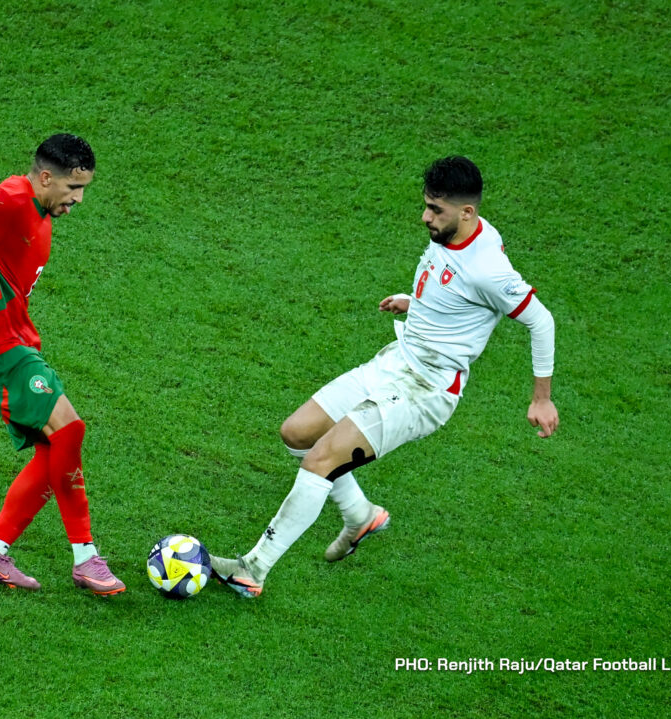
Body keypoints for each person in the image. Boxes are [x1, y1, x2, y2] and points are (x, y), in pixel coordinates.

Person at [211, 156, 559, 598]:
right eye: (427, 205)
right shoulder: (457, 234)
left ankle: (253, 569)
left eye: (435, 210)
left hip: (425, 389)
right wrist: (415, 303)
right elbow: (456, 294)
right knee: (297, 433)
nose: (425, 217)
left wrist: (541, 398)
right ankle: (360, 515)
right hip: (395, 361)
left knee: (321, 460)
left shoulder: (489, 268)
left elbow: (541, 321)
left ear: (467, 212)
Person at [0, 133, 125, 595]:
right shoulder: (7, 201)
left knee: (55, 448)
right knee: (69, 429)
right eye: (73, 188)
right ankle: (86, 559)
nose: (78, 199)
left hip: (14, 341)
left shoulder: (40, 209)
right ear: (46, 178)